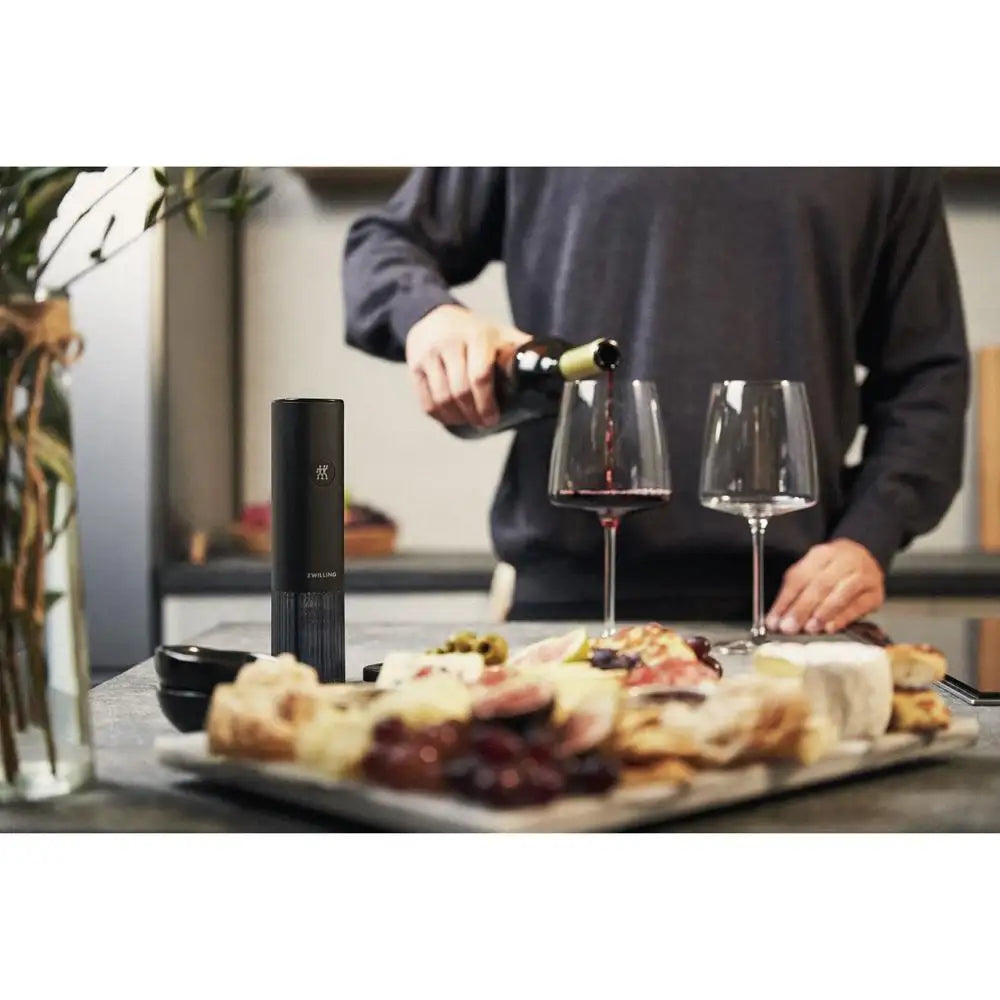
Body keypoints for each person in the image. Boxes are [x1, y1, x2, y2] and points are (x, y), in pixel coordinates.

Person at [342, 168, 969, 632]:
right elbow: (382, 244)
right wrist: (429, 315)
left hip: (793, 612)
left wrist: (868, 536)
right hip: (566, 607)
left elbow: (926, 377)